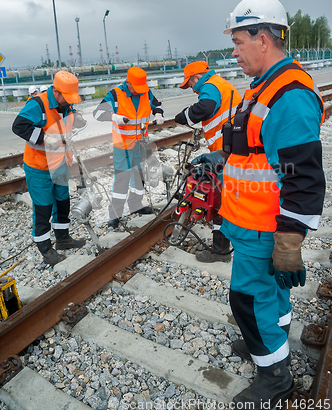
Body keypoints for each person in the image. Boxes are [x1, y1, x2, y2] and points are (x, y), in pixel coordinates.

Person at [193, 0, 325, 410]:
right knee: (272, 295)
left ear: (263, 38)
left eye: (238, 42)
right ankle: (273, 342)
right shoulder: (265, 87)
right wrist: (220, 157)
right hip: (247, 219)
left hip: (265, 225)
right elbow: (251, 146)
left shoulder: (289, 96)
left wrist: (289, 241)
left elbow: (302, 178)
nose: (233, 52)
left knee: (248, 300)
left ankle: (275, 376)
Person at [12, 71, 87, 266]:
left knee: (63, 202)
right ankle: (45, 249)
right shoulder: (38, 104)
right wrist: (44, 138)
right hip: (39, 167)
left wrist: (77, 119)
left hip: (60, 163)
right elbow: (19, 126)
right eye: (67, 99)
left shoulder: (66, 104)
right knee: (43, 207)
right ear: (57, 92)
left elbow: (70, 117)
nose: (69, 103)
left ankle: (63, 239)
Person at [175, 61, 242, 263]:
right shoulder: (220, 83)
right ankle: (226, 244)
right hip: (231, 150)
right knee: (227, 199)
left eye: (190, 84)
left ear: (196, 77)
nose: (193, 90)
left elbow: (206, 107)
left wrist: (184, 116)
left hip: (226, 154)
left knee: (220, 202)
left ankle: (220, 251)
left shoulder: (209, 86)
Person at [93, 66, 164, 229]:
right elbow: (97, 113)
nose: (139, 92)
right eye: (136, 89)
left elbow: (157, 105)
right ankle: (115, 215)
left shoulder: (146, 92)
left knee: (140, 176)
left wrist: (158, 114)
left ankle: (136, 205)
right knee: (122, 180)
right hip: (123, 146)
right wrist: (113, 116)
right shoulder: (115, 94)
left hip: (141, 143)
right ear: (129, 84)